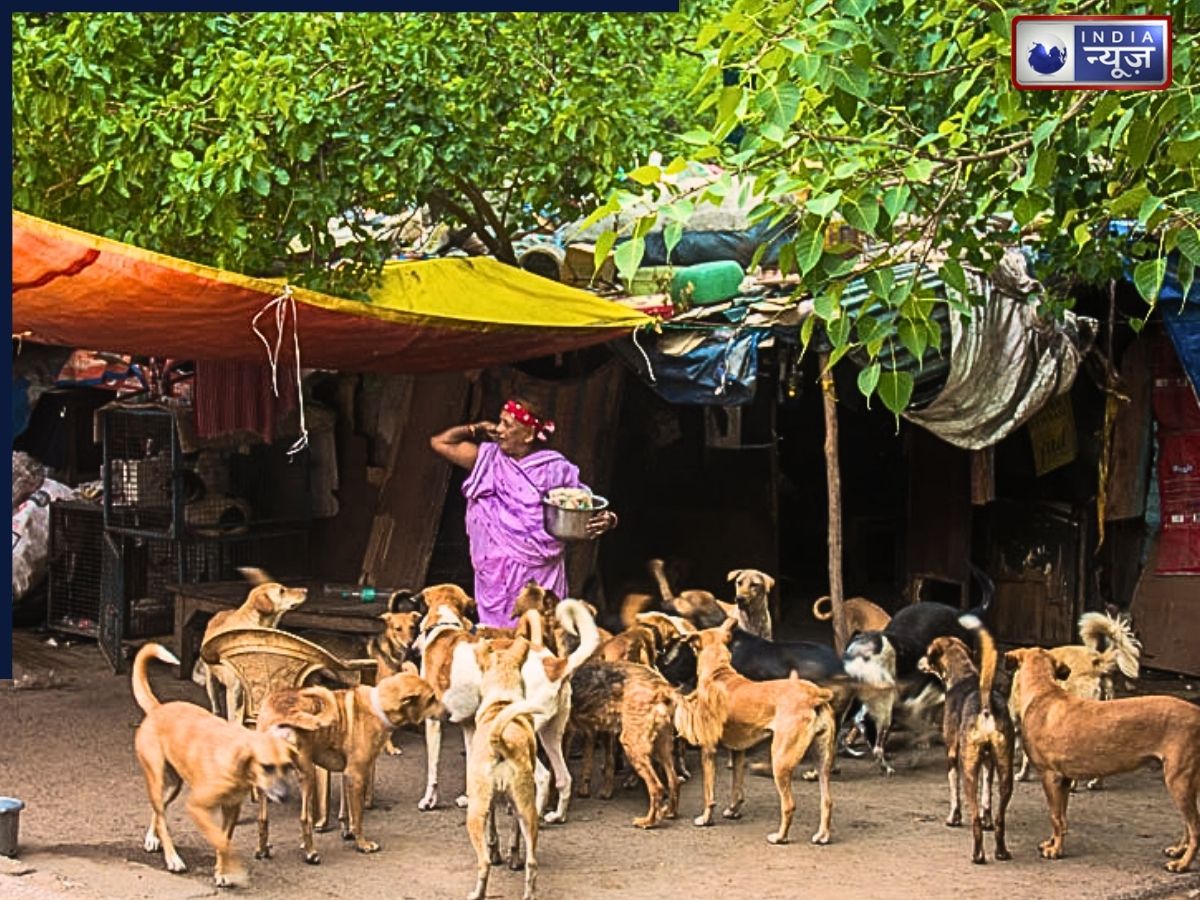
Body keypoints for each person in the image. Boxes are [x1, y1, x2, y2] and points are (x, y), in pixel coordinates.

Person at [430, 397, 617, 627]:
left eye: (507, 425)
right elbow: (441, 443)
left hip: (539, 574)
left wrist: (608, 519)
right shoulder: (489, 460)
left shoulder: (555, 469)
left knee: (541, 635)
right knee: (495, 643)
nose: (498, 430)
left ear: (528, 435)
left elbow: (586, 506)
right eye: (499, 422)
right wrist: (475, 428)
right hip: (493, 578)